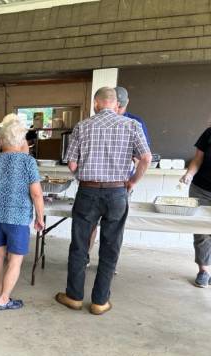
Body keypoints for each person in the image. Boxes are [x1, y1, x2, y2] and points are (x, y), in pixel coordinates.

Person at [55, 87, 151, 315]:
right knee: (110, 247)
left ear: (97, 103)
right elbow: (146, 158)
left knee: (79, 245)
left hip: (87, 192)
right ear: (116, 103)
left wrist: (82, 179)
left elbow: (72, 164)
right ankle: (100, 302)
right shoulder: (132, 126)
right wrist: (132, 182)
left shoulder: (82, 126)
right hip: (117, 192)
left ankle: (74, 297)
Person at [0, 120, 45, 310]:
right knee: (15, 258)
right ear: (22, 141)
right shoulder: (28, 162)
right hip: (18, 217)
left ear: (0, 140)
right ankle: (4, 299)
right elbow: (36, 193)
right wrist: (40, 217)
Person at [179, 125, 211, 287]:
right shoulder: (208, 132)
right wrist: (189, 174)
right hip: (202, 189)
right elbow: (198, 159)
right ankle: (204, 271)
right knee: (202, 232)